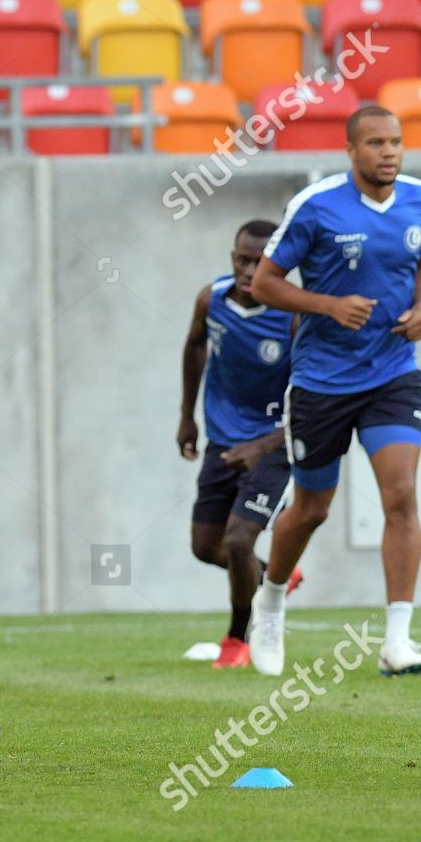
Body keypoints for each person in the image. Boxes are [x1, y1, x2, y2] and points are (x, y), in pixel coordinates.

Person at [248, 106, 421, 678]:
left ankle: (398, 639)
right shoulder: (317, 206)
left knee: (400, 494)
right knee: (313, 509)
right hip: (322, 381)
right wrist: (329, 305)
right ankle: (272, 597)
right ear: (352, 150)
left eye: (397, 142)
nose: (389, 152)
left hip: (392, 373)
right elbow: (264, 282)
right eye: (377, 142)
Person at [178, 220, 302, 668]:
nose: (249, 269)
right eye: (242, 259)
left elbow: (315, 398)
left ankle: (237, 640)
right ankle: (273, 575)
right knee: (206, 547)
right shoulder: (212, 299)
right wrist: (186, 415)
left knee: (237, 539)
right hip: (222, 440)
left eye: (260, 261)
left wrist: (266, 445)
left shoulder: (293, 315)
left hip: (277, 444)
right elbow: (194, 347)